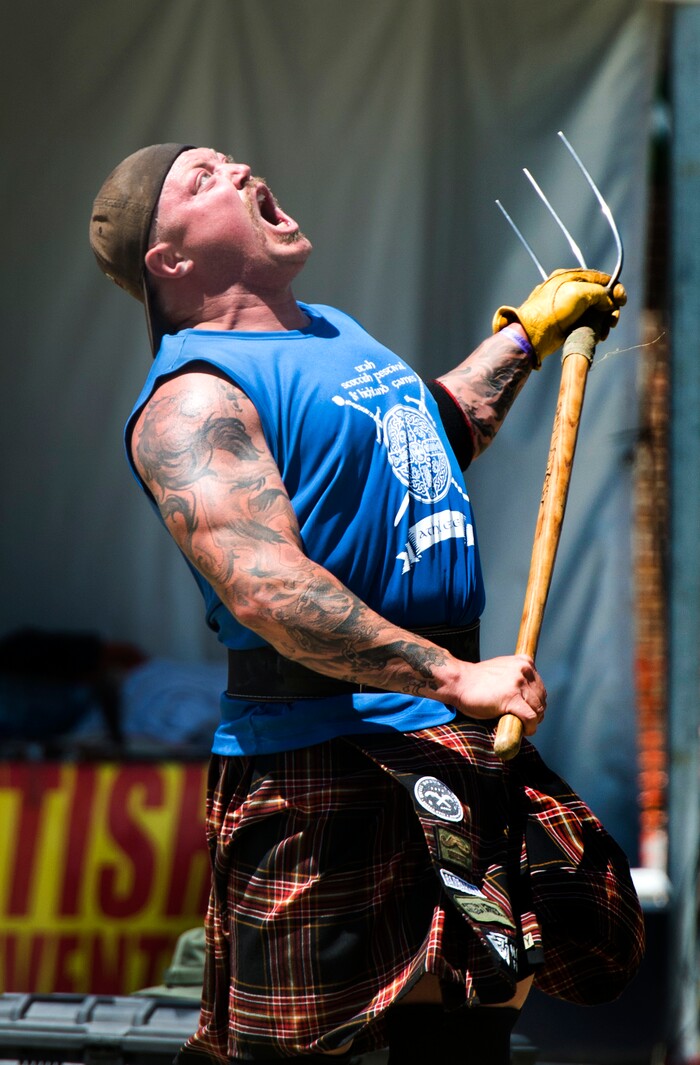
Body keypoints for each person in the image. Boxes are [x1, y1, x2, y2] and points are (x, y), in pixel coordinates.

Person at [89, 143, 644, 1065]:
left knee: (475, 1016)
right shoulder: (192, 398)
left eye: (230, 159)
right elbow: (266, 587)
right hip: (321, 757)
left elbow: (421, 441)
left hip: (442, 731)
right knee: (302, 1052)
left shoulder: (332, 334)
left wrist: (525, 340)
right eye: (201, 178)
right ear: (170, 261)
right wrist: (453, 674)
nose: (236, 170)